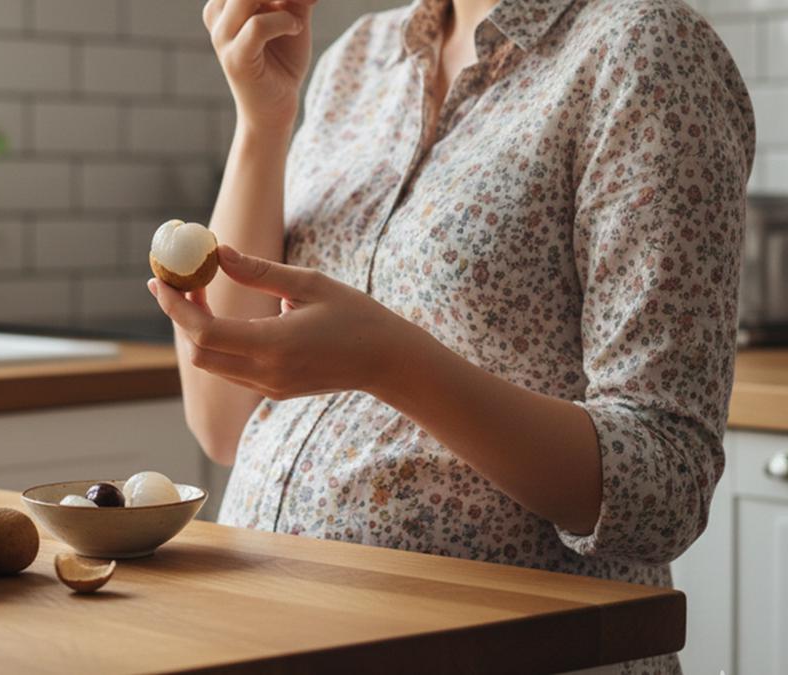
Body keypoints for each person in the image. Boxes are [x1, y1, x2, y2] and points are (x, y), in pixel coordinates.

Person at [146, 0, 755, 672]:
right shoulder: (359, 56)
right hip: (274, 639)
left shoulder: (644, 50)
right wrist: (261, 122)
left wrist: (388, 361)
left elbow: (664, 486)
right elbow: (224, 423)